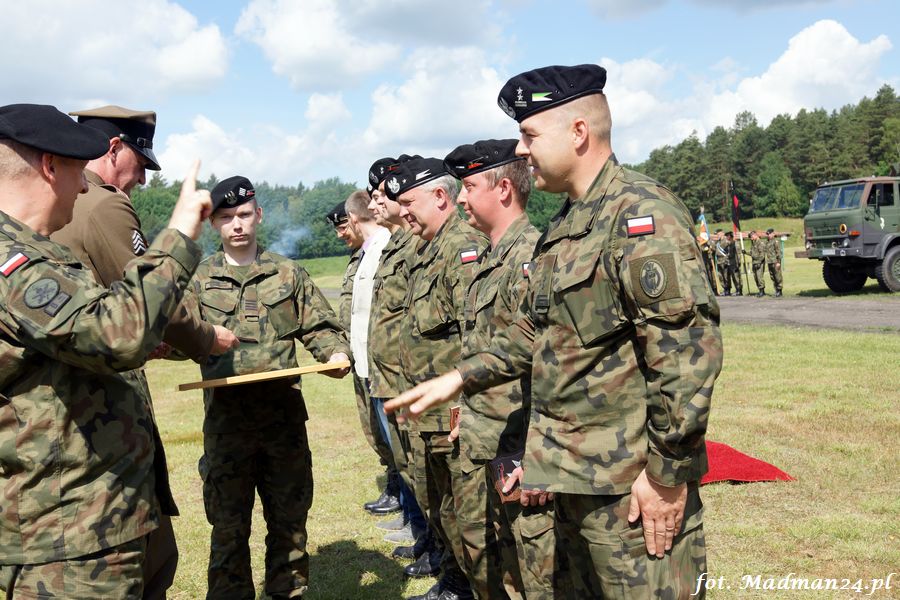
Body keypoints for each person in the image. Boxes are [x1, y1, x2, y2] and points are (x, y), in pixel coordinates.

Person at [387, 64, 723, 598]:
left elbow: (685, 354)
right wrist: (460, 377)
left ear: (579, 132)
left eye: (530, 135)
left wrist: (667, 475)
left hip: (628, 489)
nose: (521, 150)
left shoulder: (640, 214)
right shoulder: (567, 226)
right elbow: (536, 334)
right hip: (570, 479)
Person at [0, 103, 211, 598]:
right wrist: (179, 233)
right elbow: (117, 333)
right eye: (79, 171)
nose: (83, 188)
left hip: (93, 523)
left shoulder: (39, 250)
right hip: (65, 543)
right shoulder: (10, 261)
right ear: (50, 166)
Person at [50, 105, 239, 599]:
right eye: (140, 165)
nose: (141, 181)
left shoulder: (45, 210)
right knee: (147, 563)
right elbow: (156, 300)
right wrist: (206, 339)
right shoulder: (103, 204)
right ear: (115, 149)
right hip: (106, 416)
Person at [187, 176, 350, 599]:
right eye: (227, 217)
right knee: (228, 528)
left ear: (258, 215)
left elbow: (319, 326)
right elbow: (178, 336)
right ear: (213, 224)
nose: (237, 224)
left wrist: (333, 354)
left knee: (289, 525)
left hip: (283, 422)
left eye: (244, 214)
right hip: (227, 425)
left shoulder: (287, 272)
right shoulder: (198, 278)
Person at [444, 139, 562, 599]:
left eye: (470, 186)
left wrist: (539, 452)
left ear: (504, 189)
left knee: (535, 576)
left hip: (519, 446)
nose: (460, 199)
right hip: (487, 439)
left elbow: (547, 365)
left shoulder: (531, 258)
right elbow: (480, 347)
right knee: (496, 566)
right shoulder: (489, 259)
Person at [385, 157, 489, 600]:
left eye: (409, 202)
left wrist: (468, 407)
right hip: (429, 413)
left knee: (468, 517)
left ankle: (469, 586)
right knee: (442, 508)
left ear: (441, 196)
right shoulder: (426, 249)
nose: (402, 211)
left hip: (455, 414)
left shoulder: (463, 249)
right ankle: (455, 581)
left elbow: (478, 336)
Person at [364, 156, 433, 562]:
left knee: (422, 472)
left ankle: (435, 551)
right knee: (408, 467)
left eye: (383, 195)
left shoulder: (414, 244)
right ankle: (426, 541)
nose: (378, 203)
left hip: (411, 381)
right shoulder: (395, 244)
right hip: (389, 376)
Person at [327, 202, 399, 514]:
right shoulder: (358, 256)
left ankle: (401, 492)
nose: (341, 234)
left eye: (344, 226)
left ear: (355, 220)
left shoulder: (380, 250)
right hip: (359, 357)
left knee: (390, 433)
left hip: (378, 360)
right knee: (374, 430)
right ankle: (396, 485)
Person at [345, 189, 409, 537]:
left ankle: (416, 525)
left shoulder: (385, 247)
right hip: (369, 365)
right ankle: (412, 520)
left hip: (386, 368)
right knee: (396, 450)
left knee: (403, 451)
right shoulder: (370, 250)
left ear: (352, 219)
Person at [746, 230, 768, 296]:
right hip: (754, 262)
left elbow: (762, 254)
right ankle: (759, 290)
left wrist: (759, 262)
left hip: (759, 263)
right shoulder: (753, 243)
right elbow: (752, 253)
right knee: (755, 277)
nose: (751, 238)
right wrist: (746, 252)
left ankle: (762, 291)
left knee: (759, 277)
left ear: (755, 235)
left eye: (751, 237)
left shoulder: (760, 243)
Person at [765, 227, 784, 297]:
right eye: (767, 234)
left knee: (778, 276)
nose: (768, 235)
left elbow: (778, 252)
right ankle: (776, 290)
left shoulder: (775, 242)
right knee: (773, 277)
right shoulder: (767, 242)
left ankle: (779, 290)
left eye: (769, 234)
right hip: (770, 262)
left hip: (775, 262)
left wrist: (778, 262)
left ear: (773, 234)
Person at [723, 231, 743, 296]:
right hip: (730, 263)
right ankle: (737, 290)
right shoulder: (729, 244)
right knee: (733, 277)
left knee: (737, 277)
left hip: (735, 263)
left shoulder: (735, 244)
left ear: (730, 236)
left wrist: (738, 263)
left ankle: (739, 290)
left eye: (727, 236)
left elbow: (738, 254)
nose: (726, 237)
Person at [713, 229, 732, 295]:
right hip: (718, 261)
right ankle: (725, 288)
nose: (717, 235)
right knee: (720, 276)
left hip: (724, 260)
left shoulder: (726, 240)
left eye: (718, 234)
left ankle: (728, 289)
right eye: (717, 234)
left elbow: (729, 249)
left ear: (722, 233)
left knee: (726, 276)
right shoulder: (718, 242)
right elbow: (715, 249)